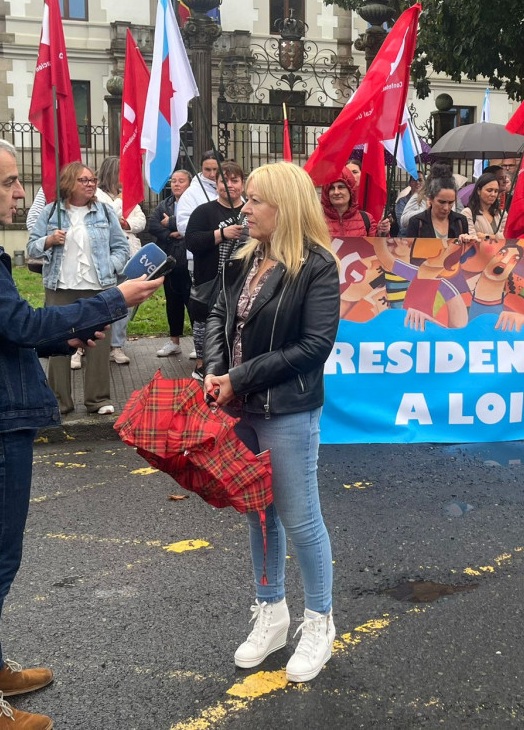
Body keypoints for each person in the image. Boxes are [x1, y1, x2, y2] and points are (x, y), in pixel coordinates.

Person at [0, 130, 160, 729]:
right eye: (10, 182)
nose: (22, 192)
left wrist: (64, 332)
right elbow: (17, 320)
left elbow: (5, 328)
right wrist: (114, 298)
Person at [203, 161, 341, 684]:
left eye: (256, 200)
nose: (245, 207)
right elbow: (218, 313)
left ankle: (319, 622)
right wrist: (219, 371)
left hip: (286, 408)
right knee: (258, 514)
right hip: (239, 405)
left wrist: (241, 376)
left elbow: (313, 347)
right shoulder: (247, 255)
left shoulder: (318, 265)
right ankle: (271, 611)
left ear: (285, 206)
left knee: (300, 518)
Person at [26, 162, 130, 416]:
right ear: (68, 183)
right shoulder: (52, 212)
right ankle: (59, 401)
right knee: (58, 344)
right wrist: (49, 240)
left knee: (98, 345)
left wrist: (110, 266)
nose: (90, 184)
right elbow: (31, 247)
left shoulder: (104, 212)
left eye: (92, 179)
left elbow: (121, 248)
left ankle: (98, 400)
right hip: (62, 287)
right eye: (83, 180)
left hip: (98, 288)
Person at [185, 160, 247, 375]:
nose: (229, 185)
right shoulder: (204, 212)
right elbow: (191, 241)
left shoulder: (250, 210)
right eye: (223, 181)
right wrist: (221, 234)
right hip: (210, 281)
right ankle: (202, 364)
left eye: (234, 180)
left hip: (241, 281)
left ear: (243, 183)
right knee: (205, 322)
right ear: (216, 184)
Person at [95, 156, 146, 366]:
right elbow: (103, 219)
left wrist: (126, 224)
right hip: (104, 255)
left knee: (124, 302)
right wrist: (119, 220)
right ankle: (91, 347)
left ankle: (117, 346)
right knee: (101, 300)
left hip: (129, 253)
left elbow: (140, 221)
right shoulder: (97, 196)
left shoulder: (129, 196)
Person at [148, 169, 195, 358]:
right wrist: (170, 232)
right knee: (172, 301)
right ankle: (174, 341)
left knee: (192, 302)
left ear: (189, 184)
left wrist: (172, 224)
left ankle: (197, 342)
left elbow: (195, 226)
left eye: (181, 181)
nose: (176, 184)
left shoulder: (194, 204)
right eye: (173, 181)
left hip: (190, 260)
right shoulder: (164, 205)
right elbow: (152, 224)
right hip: (169, 261)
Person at [321, 168, 389, 237]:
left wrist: (382, 233)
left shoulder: (366, 219)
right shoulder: (316, 219)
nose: (336, 192)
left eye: (341, 187)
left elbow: (377, 245)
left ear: (351, 191)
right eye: (332, 188)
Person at [407, 166, 470, 239]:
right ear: (431, 198)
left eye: (451, 203)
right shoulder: (416, 222)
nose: (446, 208)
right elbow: (410, 249)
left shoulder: (460, 221)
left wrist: (469, 242)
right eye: (442, 202)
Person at [464, 170, 506, 238]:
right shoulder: (468, 213)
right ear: (478, 191)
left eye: (496, 191)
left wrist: (486, 237)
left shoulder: (501, 213)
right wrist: (498, 237)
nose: (493, 194)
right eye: (489, 190)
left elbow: (508, 237)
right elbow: (472, 239)